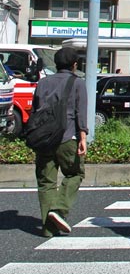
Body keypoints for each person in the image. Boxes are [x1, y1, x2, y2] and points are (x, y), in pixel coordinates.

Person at [32, 46, 87, 238]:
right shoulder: (77, 83)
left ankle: (48, 228)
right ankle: (59, 208)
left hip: (44, 138)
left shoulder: (43, 83)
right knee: (75, 173)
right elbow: (80, 113)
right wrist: (83, 137)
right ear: (74, 64)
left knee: (46, 182)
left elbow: (35, 111)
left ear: (55, 64)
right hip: (67, 137)